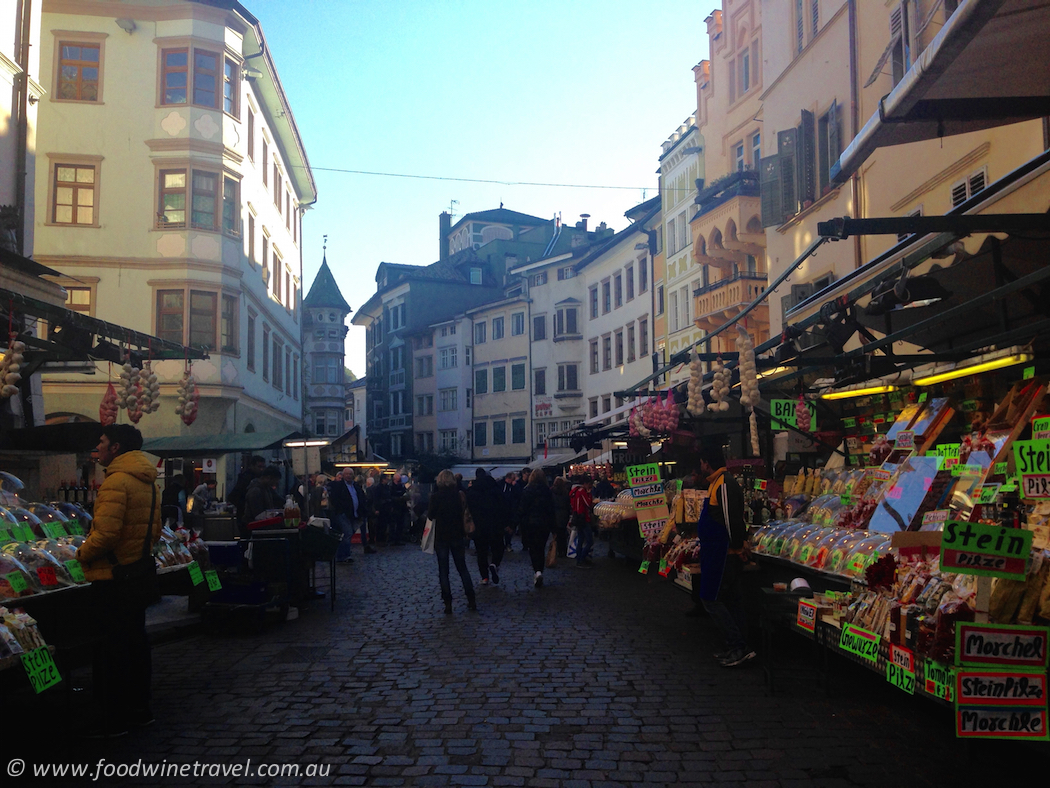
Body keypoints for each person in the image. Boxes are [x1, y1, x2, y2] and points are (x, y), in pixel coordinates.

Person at [76, 424, 162, 737]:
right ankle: (140, 710)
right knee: (135, 645)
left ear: (116, 448)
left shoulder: (115, 482)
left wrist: (81, 553)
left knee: (111, 651)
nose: (96, 447)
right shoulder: (149, 482)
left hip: (112, 578)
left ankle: (112, 718)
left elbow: (107, 535)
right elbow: (154, 532)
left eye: (101, 442)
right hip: (138, 574)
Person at [690, 445, 755, 668]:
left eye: (701, 462)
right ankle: (739, 646)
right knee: (731, 600)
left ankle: (738, 645)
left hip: (723, 554)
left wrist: (738, 546)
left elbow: (731, 520)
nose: (700, 466)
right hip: (716, 552)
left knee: (710, 599)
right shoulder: (716, 483)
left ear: (707, 462)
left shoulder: (724, 484)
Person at [427, 470, 476, 614]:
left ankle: (447, 602)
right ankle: (471, 598)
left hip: (441, 536)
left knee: (444, 571)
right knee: (462, 568)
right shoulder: (458, 495)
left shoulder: (435, 497)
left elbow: (430, 515)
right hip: (457, 534)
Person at [465, 468, 507, 585]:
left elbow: (469, 509)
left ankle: (484, 577)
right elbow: (504, 506)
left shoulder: (472, 491)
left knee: (481, 552)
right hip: (495, 524)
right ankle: (494, 564)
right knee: (498, 547)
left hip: (479, 525)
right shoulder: (495, 489)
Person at [517, 469, 556, 587]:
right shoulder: (547, 492)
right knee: (540, 547)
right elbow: (551, 511)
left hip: (530, 524)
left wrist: (516, 523)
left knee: (533, 549)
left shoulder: (527, 491)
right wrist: (554, 528)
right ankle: (540, 570)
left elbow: (522, 509)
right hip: (544, 524)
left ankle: (537, 571)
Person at [328, 470, 370, 562]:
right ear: (343, 475)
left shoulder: (355, 486)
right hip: (343, 513)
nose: (348, 476)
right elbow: (334, 499)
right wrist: (340, 509)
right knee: (347, 533)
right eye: (346, 474)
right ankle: (344, 556)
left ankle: (341, 553)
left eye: (350, 474)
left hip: (354, 513)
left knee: (348, 533)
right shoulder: (339, 486)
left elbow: (361, 497)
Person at [241, 465, 282, 530]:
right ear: (268, 478)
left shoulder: (267, 489)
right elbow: (258, 515)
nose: (276, 483)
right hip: (254, 527)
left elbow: (279, 500)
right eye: (275, 481)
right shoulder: (255, 491)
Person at [229, 455, 266, 524]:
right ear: (252, 466)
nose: (261, 469)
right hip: (245, 517)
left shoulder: (250, 477)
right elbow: (233, 497)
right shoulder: (245, 479)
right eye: (259, 467)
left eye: (263, 467)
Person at [569, 476, 595, 568]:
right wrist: (590, 494)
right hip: (583, 518)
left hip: (578, 517)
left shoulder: (576, 491)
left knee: (580, 539)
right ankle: (582, 559)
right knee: (589, 541)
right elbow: (588, 503)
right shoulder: (582, 491)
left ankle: (579, 559)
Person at [551, 476, 572, 557]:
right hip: (563, 514)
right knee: (563, 533)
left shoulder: (551, 492)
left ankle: (557, 549)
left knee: (556, 533)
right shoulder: (565, 492)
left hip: (555, 514)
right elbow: (567, 504)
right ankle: (563, 549)